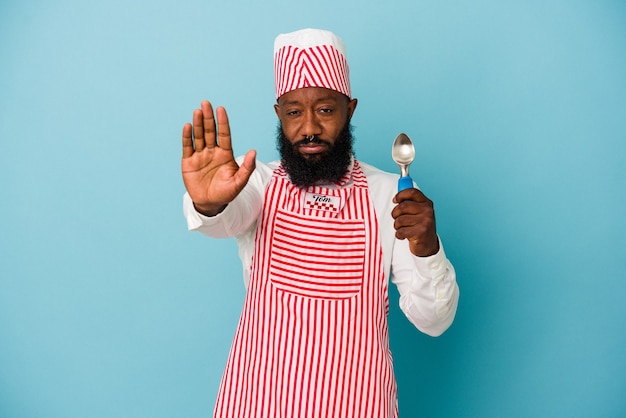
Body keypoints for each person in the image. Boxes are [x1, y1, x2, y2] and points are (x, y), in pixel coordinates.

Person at [181, 28, 459, 418]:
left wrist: (427, 246)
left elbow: (433, 321)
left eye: (325, 110)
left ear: (351, 109)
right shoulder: (256, 184)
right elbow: (222, 221)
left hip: (357, 404)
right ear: (279, 113)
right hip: (258, 401)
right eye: (294, 111)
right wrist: (208, 203)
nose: (309, 127)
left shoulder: (390, 197)